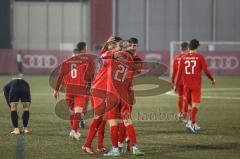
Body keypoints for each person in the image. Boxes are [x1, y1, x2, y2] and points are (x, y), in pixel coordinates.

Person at [82, 36, 122, 155]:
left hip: (100, 89)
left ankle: (97, 145)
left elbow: (103, 53)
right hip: (100, 90)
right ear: (114, 46)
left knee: (101, 119)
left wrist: (107, 43)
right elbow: (107, 57)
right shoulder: (109, 56)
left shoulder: (107, 54)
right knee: (99, 118)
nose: (121, 48)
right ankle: (87, 145)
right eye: (120, 45)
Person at [53, 42, 95, 140]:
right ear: (83, 50)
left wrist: (56, 90)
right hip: (80, 89)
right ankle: (74, 131)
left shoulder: (65, 62)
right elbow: (90, 75)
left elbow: (60, 76)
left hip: (69, 90)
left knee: (72, 111)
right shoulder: (86, 61)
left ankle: (73, 130)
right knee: (78, 111)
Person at [174, 39, 216, 133]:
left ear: (189, 47)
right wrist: (212, 79)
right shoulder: (199, 57)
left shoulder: (183, 58)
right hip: (195, 85)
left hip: (186, 86)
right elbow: (206, 71)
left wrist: (176, 85)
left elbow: (179, 72)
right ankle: (190, 122)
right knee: (196, 105)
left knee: (190, 106)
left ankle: (194, 124)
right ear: (197, 47)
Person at [171, 42, 189, 121]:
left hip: (178, 81)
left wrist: (173, 82)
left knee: (180, 97)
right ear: (187, 48)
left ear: (181, 48)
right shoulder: (189, 57)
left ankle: (179, 113)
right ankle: (185, 113)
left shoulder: (176, 58)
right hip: (187, 81)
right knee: (187, 98)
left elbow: (174, 72)